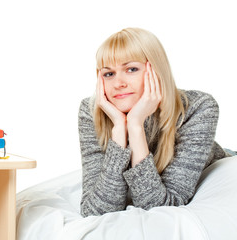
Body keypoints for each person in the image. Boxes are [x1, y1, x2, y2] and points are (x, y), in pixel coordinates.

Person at [78, 27, 234, 217]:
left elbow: (160, 208)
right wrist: (119, 129)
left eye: (131, 69)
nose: (118, 83)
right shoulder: (91, 111)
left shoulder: (199, 107)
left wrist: (135, 126)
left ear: (156, 70)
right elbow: (95, 212)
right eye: (108, 74)